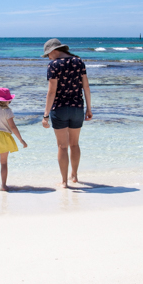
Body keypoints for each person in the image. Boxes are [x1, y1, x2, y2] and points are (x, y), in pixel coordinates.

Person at [41, 39, 93, 188]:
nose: (48, 58)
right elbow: (86, 87)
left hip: (59, 109)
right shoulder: (78, 61)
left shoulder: (53, 65)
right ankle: (74, 176)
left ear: (52, 51)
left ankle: (64, 182)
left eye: (48, 55)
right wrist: (89, 108)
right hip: (77, 108)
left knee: (62, 146)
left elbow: (51, 92)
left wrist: (45, 115)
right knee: (74, 144)